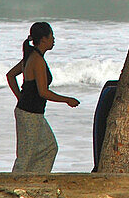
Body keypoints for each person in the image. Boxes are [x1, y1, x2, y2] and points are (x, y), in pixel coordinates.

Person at [5, 22, 79, 173]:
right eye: (52, 35)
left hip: (33, 112)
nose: (54, 39)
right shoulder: (36, 60)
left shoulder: (32, 56)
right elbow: (43, 92)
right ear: (44, 39)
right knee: (26, 156)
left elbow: (10, 75)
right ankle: (13, 186)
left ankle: (34, 180)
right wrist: (67, 100)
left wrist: (21, 97)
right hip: (28, 114)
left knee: (49, 147)